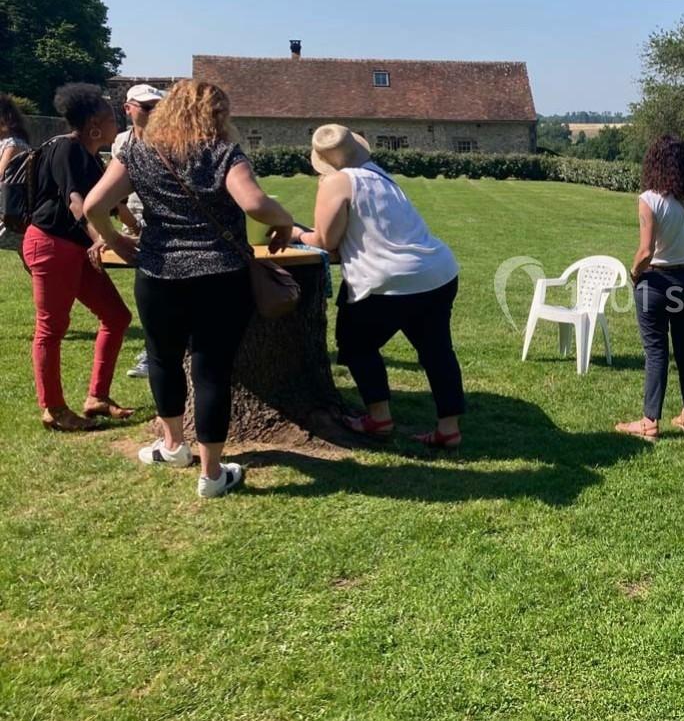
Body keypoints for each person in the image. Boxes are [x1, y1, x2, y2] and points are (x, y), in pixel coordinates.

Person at [85, 79, 296, 498]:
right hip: (221, 275)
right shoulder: (223, 152)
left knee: (163, 360)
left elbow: (93, 205)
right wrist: (285, 220)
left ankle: (173, 446)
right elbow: (254, 203)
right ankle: (213, 474)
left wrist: (113, 238)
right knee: (212, 370)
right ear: (219, 114)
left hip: (159, 274)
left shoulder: (137, 150)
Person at [294, 124, 465, 448]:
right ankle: (449, 428)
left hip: (387, 279)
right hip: (437, 271)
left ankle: (378, 417)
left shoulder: (336, 182)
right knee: (437, 351)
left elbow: (326, 241)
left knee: (355, 342)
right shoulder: (379, 174)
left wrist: (295, 234)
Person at [21, 84, 134, 431]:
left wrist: (135, 226)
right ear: (94, 125)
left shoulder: (88, 156)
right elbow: (76, 203)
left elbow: (111, 203)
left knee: (116, 316)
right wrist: (104, 238)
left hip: (75, 248)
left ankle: (96, 397)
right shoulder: (68, 149)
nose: (117, 121)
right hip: (51, 245)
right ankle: (53, 409)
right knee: (51, 328)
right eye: (111, 116)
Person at [615, 135, 684, 441]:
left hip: (656, 281)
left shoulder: (649, 199)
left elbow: (646, 252)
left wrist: (633, 273)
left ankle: (649, 422)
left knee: (656, 352)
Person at [111, 84, 166, 379]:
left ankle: (156, 352)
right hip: (132, 223)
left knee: (162, 291)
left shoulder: (170, 140)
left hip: (164, 224)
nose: (153, 113)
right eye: (146, 107)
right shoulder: (121, 142)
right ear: (128, 109)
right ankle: (154, 350)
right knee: (148, 290)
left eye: (157, 107)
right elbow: (111, 193)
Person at [0, 93, 32, 251]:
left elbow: (2, 178)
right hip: (8, 209)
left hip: (10, 211)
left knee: (28, 256)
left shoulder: (13, 144)